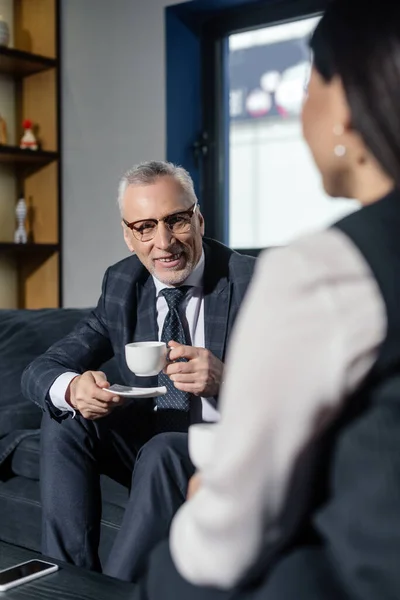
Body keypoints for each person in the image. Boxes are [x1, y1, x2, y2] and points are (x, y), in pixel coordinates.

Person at [122, 1, 400, 599]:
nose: (301, 110)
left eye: (308, 86)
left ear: (345, 106)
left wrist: (204, 506)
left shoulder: (324, 270)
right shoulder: (123, 285)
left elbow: (229, 539)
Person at [21, 161, 256, 581]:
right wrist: (74, 388)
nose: (163, 242)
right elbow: (43, 368)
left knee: (164, 449)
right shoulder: (123, 284)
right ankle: (67, 582)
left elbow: (316, 392)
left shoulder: (253, 281)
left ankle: (115, 593)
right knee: (64, 418)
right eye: (145, 227)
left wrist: (229, 381)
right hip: (152, 451)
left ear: (199, 219)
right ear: (129, 236)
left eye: (176, 221)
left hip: (234, 452)